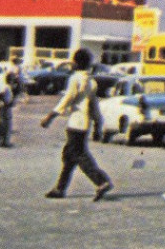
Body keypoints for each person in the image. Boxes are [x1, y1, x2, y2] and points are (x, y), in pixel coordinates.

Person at [41, 49, 112, 200]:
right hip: (84, 123)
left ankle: (101, 181)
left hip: (75, 123)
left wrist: (50, 116)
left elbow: (68, 98)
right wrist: (98, 124)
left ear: (76, 62)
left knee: (79, 155)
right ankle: (60, 189)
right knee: (69, 156)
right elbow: (94, 105)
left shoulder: (75, 79)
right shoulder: (91, 81)